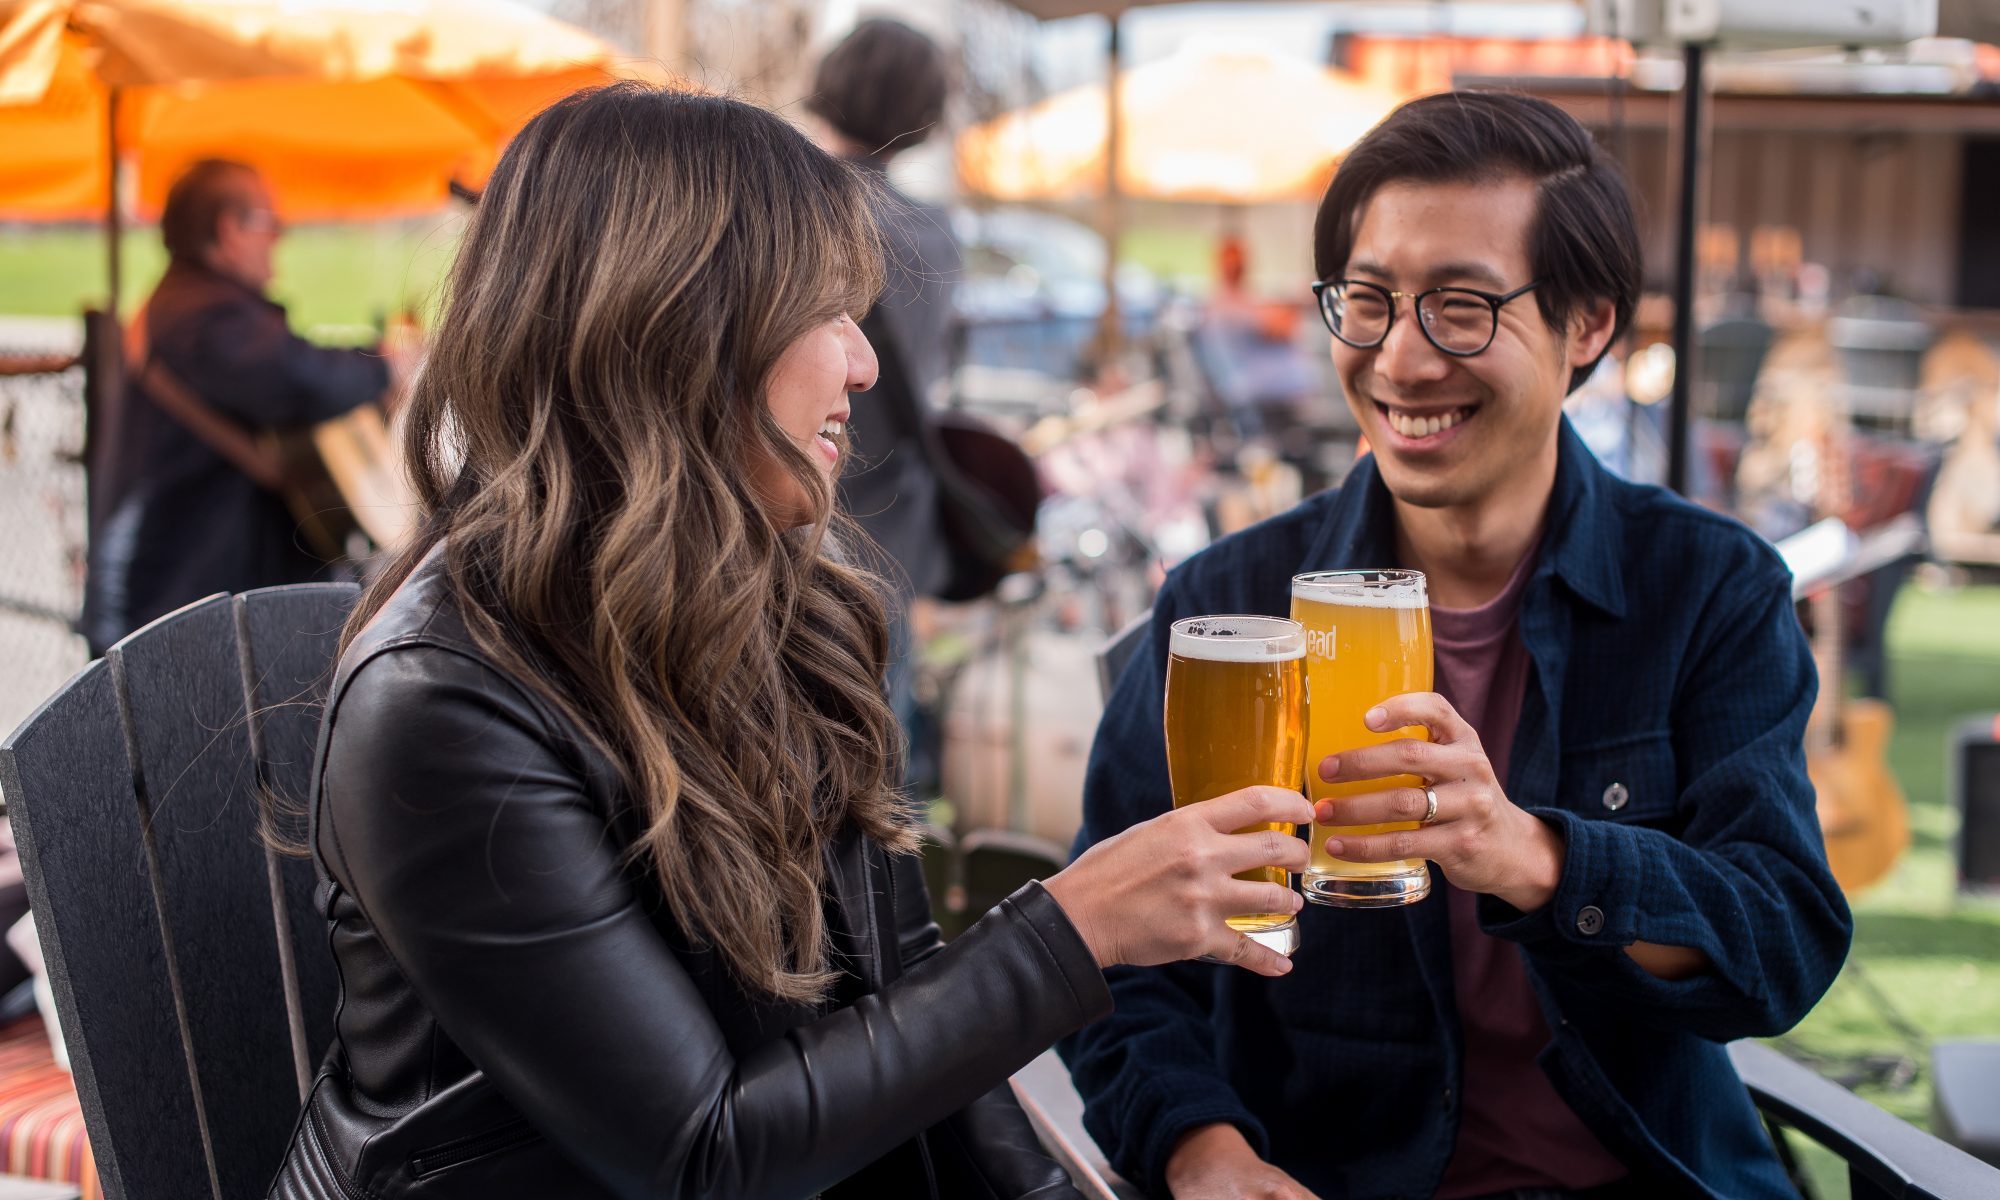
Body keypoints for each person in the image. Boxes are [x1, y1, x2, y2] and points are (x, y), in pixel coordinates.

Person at [265, 83, 1315, 1200]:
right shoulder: (442, 701)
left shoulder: (780, 605)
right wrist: (1071, 928)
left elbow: (897, 993)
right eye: (825, 313)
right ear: (674, 329)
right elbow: (701, 1155)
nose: (863, 365)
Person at [1061, 91, 1852, 1200]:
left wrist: (1529, 855)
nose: (1399, 360)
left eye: (1461, 308)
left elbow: (1777, 945)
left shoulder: (1704, 587)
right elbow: (1109, 964)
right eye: (1370, 301)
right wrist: (1205, 1154)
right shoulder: (1228, 602)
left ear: (1587, 325)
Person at [80, 159, 395, 653]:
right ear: (230, 230)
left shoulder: (189, 305)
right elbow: (301, 378)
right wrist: (387, 368)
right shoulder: (204, 316)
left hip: (184, 596)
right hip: (184, 606)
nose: (278, 239)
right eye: (271, 223)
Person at [805, 18, 959, 769]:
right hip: (895, 509)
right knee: (877, 732)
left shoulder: (794, 208)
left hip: (797, 501)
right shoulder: (935, 231)